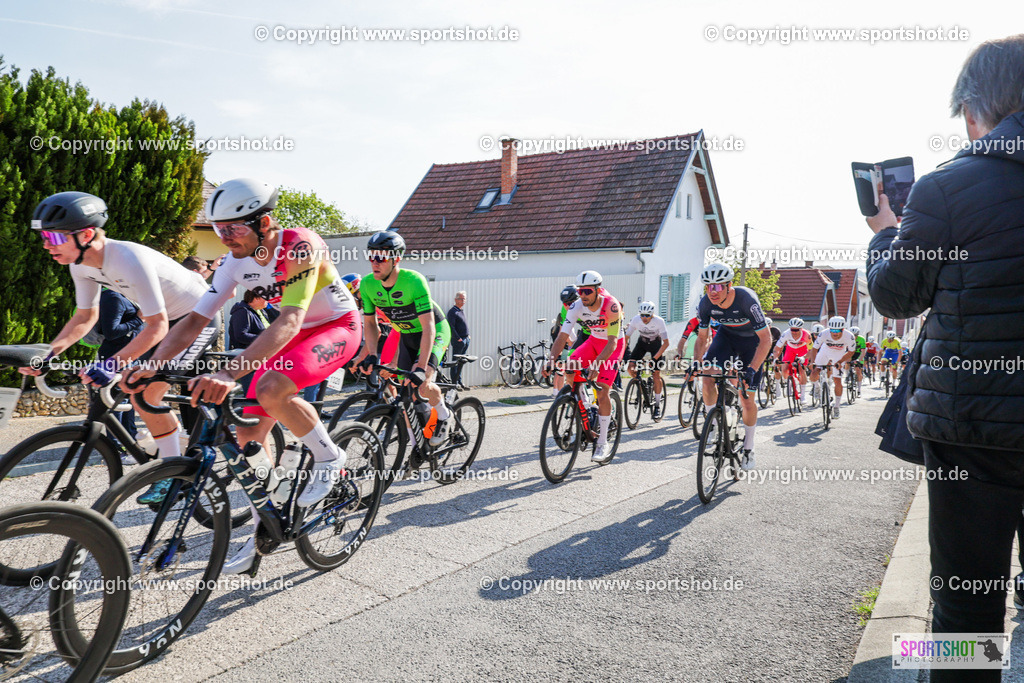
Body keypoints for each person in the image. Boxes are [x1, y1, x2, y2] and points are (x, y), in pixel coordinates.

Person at [864, 36, 1024, 676]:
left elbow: (895, 295)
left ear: (977, 109)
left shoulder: (949, 188)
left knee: (964, 607)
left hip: (973, 430)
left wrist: (884, 235)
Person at [126, 177, 362, 576]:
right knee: (248, 435)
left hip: (335, 326)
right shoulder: (235, 263)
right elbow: (196, 319)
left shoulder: (299, 245)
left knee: (271, 389)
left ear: (264, 222)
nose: (224, 237)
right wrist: (153, 361)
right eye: (218, 229)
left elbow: (290, 318)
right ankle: (261, 532)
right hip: (290, 334)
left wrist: (228, 372)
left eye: (233, 228)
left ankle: (329, 456)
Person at [22, 191, 216, 501]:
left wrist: (110, 365)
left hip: (197, 318)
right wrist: (49, 354)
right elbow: (85, 317)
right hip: (165, 323)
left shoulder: (127, 258)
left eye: (52, 236)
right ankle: (172, 460)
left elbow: (158, 326)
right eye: (43, 236)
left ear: (86, 234)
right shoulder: (81, 264)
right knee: (139, 391)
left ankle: (175, 474)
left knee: (148, 393)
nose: (45, 243)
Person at [356, 231, 453, 447]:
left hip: (434, 331)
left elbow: (428, 327)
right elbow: (370, 324)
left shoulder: (413, 281)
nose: (375, 262)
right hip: (406, 334)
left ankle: (444, 415)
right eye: (371, 256)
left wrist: (421, 366)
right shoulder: (368, 285)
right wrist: (371, 354)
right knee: (405, 393)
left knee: (422, 383)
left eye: (381, 257)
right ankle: (414, 446)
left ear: (396, 258)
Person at [691, 262, 772, 470]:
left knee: (746, 399)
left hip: (752, 344)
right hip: (726, 339)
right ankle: (714, 424)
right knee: (707, 377)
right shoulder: (705, 305)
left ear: (729, 285)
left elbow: (766, 339)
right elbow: (702, 338)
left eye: (717, 286)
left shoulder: (746, 299)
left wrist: (752, 369)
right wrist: (696, 363)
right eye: (708, 286)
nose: (712, 292)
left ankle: (749, 446)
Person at [544, 270, 625, 463]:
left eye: (588, 291)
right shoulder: (576, 306)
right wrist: (551, 359)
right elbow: (562, 336)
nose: (583, 295)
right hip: (593, 341)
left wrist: (596, 365)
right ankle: (586, 406)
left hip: (612, 346)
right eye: (580, 291)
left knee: (603, 391)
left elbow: (612, 342)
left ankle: (602, 443)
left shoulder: (611, 305)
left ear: (598, 289)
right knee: (569, 367)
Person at [623, 301, 670, 419]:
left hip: (656, 346)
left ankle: (658, 406)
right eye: (642, 315)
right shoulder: (635, 320)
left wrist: (654, 359)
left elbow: (666, 343)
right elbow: (626, 337)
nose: (644, 318)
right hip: (642, 344)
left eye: (647, 315)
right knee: (630, 368)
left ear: (652, 314)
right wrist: (622, 353)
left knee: (656, 374)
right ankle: (640, 384)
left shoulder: (659, 321)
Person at [804, 316, 856, 418]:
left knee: (837, 380)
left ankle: (836, 406)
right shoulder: (824, 333)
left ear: (843, 329)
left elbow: (851, 351)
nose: (835, 333)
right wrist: (813, 362)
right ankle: (817, 388)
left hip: (839, 354)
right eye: (833, 330)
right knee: (814, 373)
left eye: (838, 330)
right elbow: (814, 349)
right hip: (825, 352)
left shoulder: (849, 336)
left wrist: (841, 361)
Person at [772, 317, 812, 405]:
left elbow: (811, 349)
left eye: (796, 330)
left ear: (800, 329)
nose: (794, 332)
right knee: (784, 367)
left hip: (803, 350)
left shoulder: (806, 335)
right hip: (791, 350)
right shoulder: (786, 334)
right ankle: (789, 382)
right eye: (792, 330)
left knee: (802, 370)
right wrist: (775, 358)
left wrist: (804, 357)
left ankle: (803, 395)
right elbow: (777, 347)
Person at [446, 291, 470, 388]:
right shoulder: (452, 312)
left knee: (461, 362)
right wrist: (458, 339)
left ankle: (459, 381)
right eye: (462, 299)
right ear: (456, 300)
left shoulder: (460, 311)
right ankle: (454, 383)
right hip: (459, 341)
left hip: (465, 339)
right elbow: (451, 327)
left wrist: (468, 336)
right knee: (455, 362)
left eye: (464, 299)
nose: (463, 301)